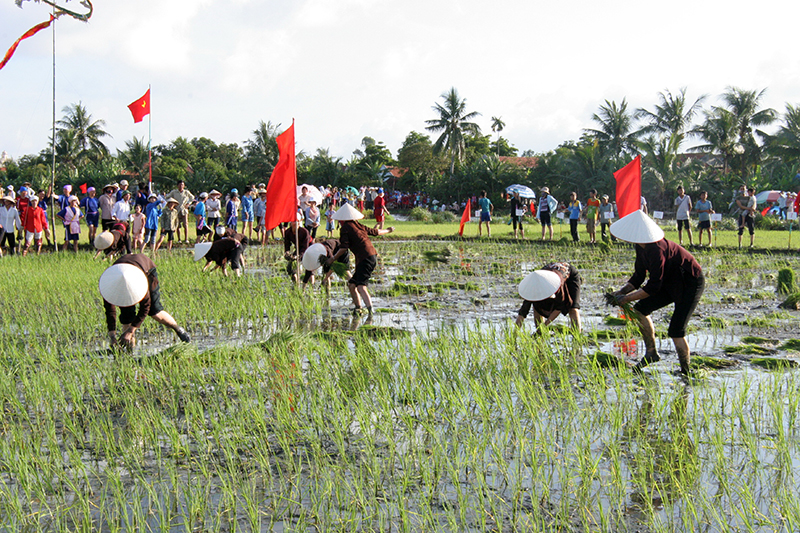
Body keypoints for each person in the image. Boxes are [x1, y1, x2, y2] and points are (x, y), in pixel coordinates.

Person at [609, 210, 704, 375]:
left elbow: (653, 285)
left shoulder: (656, 248)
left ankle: (686, 371)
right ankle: (651, 352)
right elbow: (639, 276)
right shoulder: (640, 246)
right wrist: (620, 292)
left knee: (676, 330)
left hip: (689, 283)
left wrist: (626, 298)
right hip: (669, 282)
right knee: (640, 310)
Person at [99, 253, 190, 351]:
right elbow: (110, 311)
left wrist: (130, 330)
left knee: (155, 311)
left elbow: (145, 307)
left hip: (145, 268)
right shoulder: (108, 286)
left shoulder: (140, 283)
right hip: (121, 271)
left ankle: (177, 329)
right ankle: (129, 351)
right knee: (126, 316)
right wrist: (112, 336)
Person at [325, 203, 394, 315]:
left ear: (341, 219)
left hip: (365, 258)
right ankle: (358, 308)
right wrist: (389, 230)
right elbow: (375, 232)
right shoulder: (358, 225)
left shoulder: (345, 229)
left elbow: (343, 248)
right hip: (371, 256)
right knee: (352, 284)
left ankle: (371, 311)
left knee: (361, 286)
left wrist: (332, 259)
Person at [515, 262, 582, 333]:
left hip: (569, 275)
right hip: (547, 273)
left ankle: (577, 334)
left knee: (573, 308)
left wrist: (545, 325)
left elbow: (559, 307)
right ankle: (541, 336)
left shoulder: (557, 285)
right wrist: (514, 335)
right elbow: (522, 313)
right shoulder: (532, 290)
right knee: (537, 306)